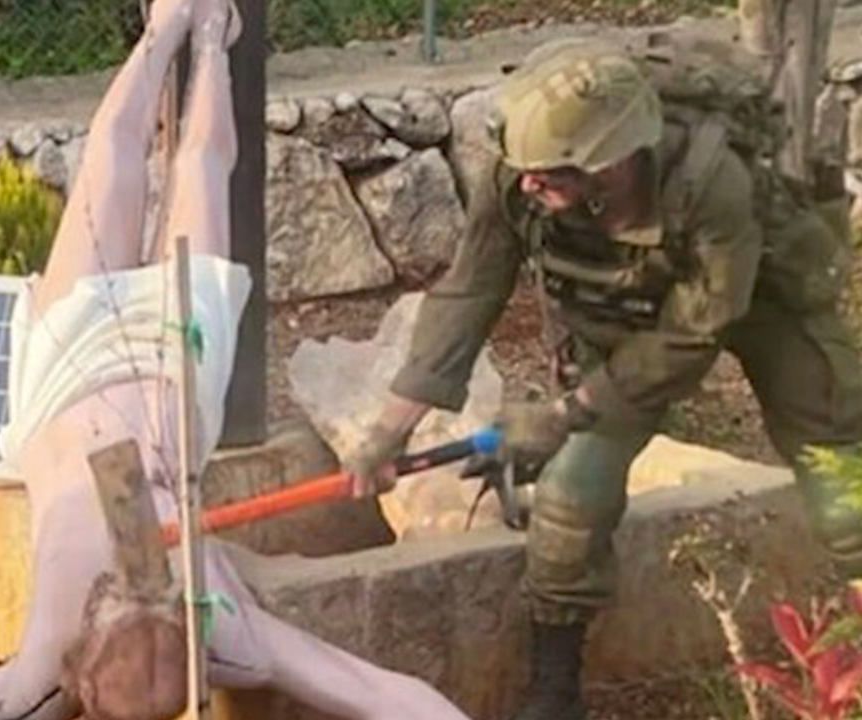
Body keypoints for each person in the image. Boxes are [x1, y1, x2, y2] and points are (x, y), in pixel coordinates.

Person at [0, 0, 473, 718]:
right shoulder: (227, 635)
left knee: (114, 161)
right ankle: (210, 36)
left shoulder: (41, 675)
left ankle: (168, 26)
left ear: (80, 672)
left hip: (70, 370)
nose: (139, 581)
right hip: (171, 365)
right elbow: (389, 696)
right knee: (197, 169)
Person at [345, 36, 862, 720]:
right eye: (524, 169)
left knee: (837, 462)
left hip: (759, 296)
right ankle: (554, 693)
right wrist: (390, 429)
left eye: (549, 173)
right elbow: (469, 291)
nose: (528, 184)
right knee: (570, 494)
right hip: (626, 317)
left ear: (611, 163)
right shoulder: (520, 174)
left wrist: (564, 413)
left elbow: (693, 332)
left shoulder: (713, 180)